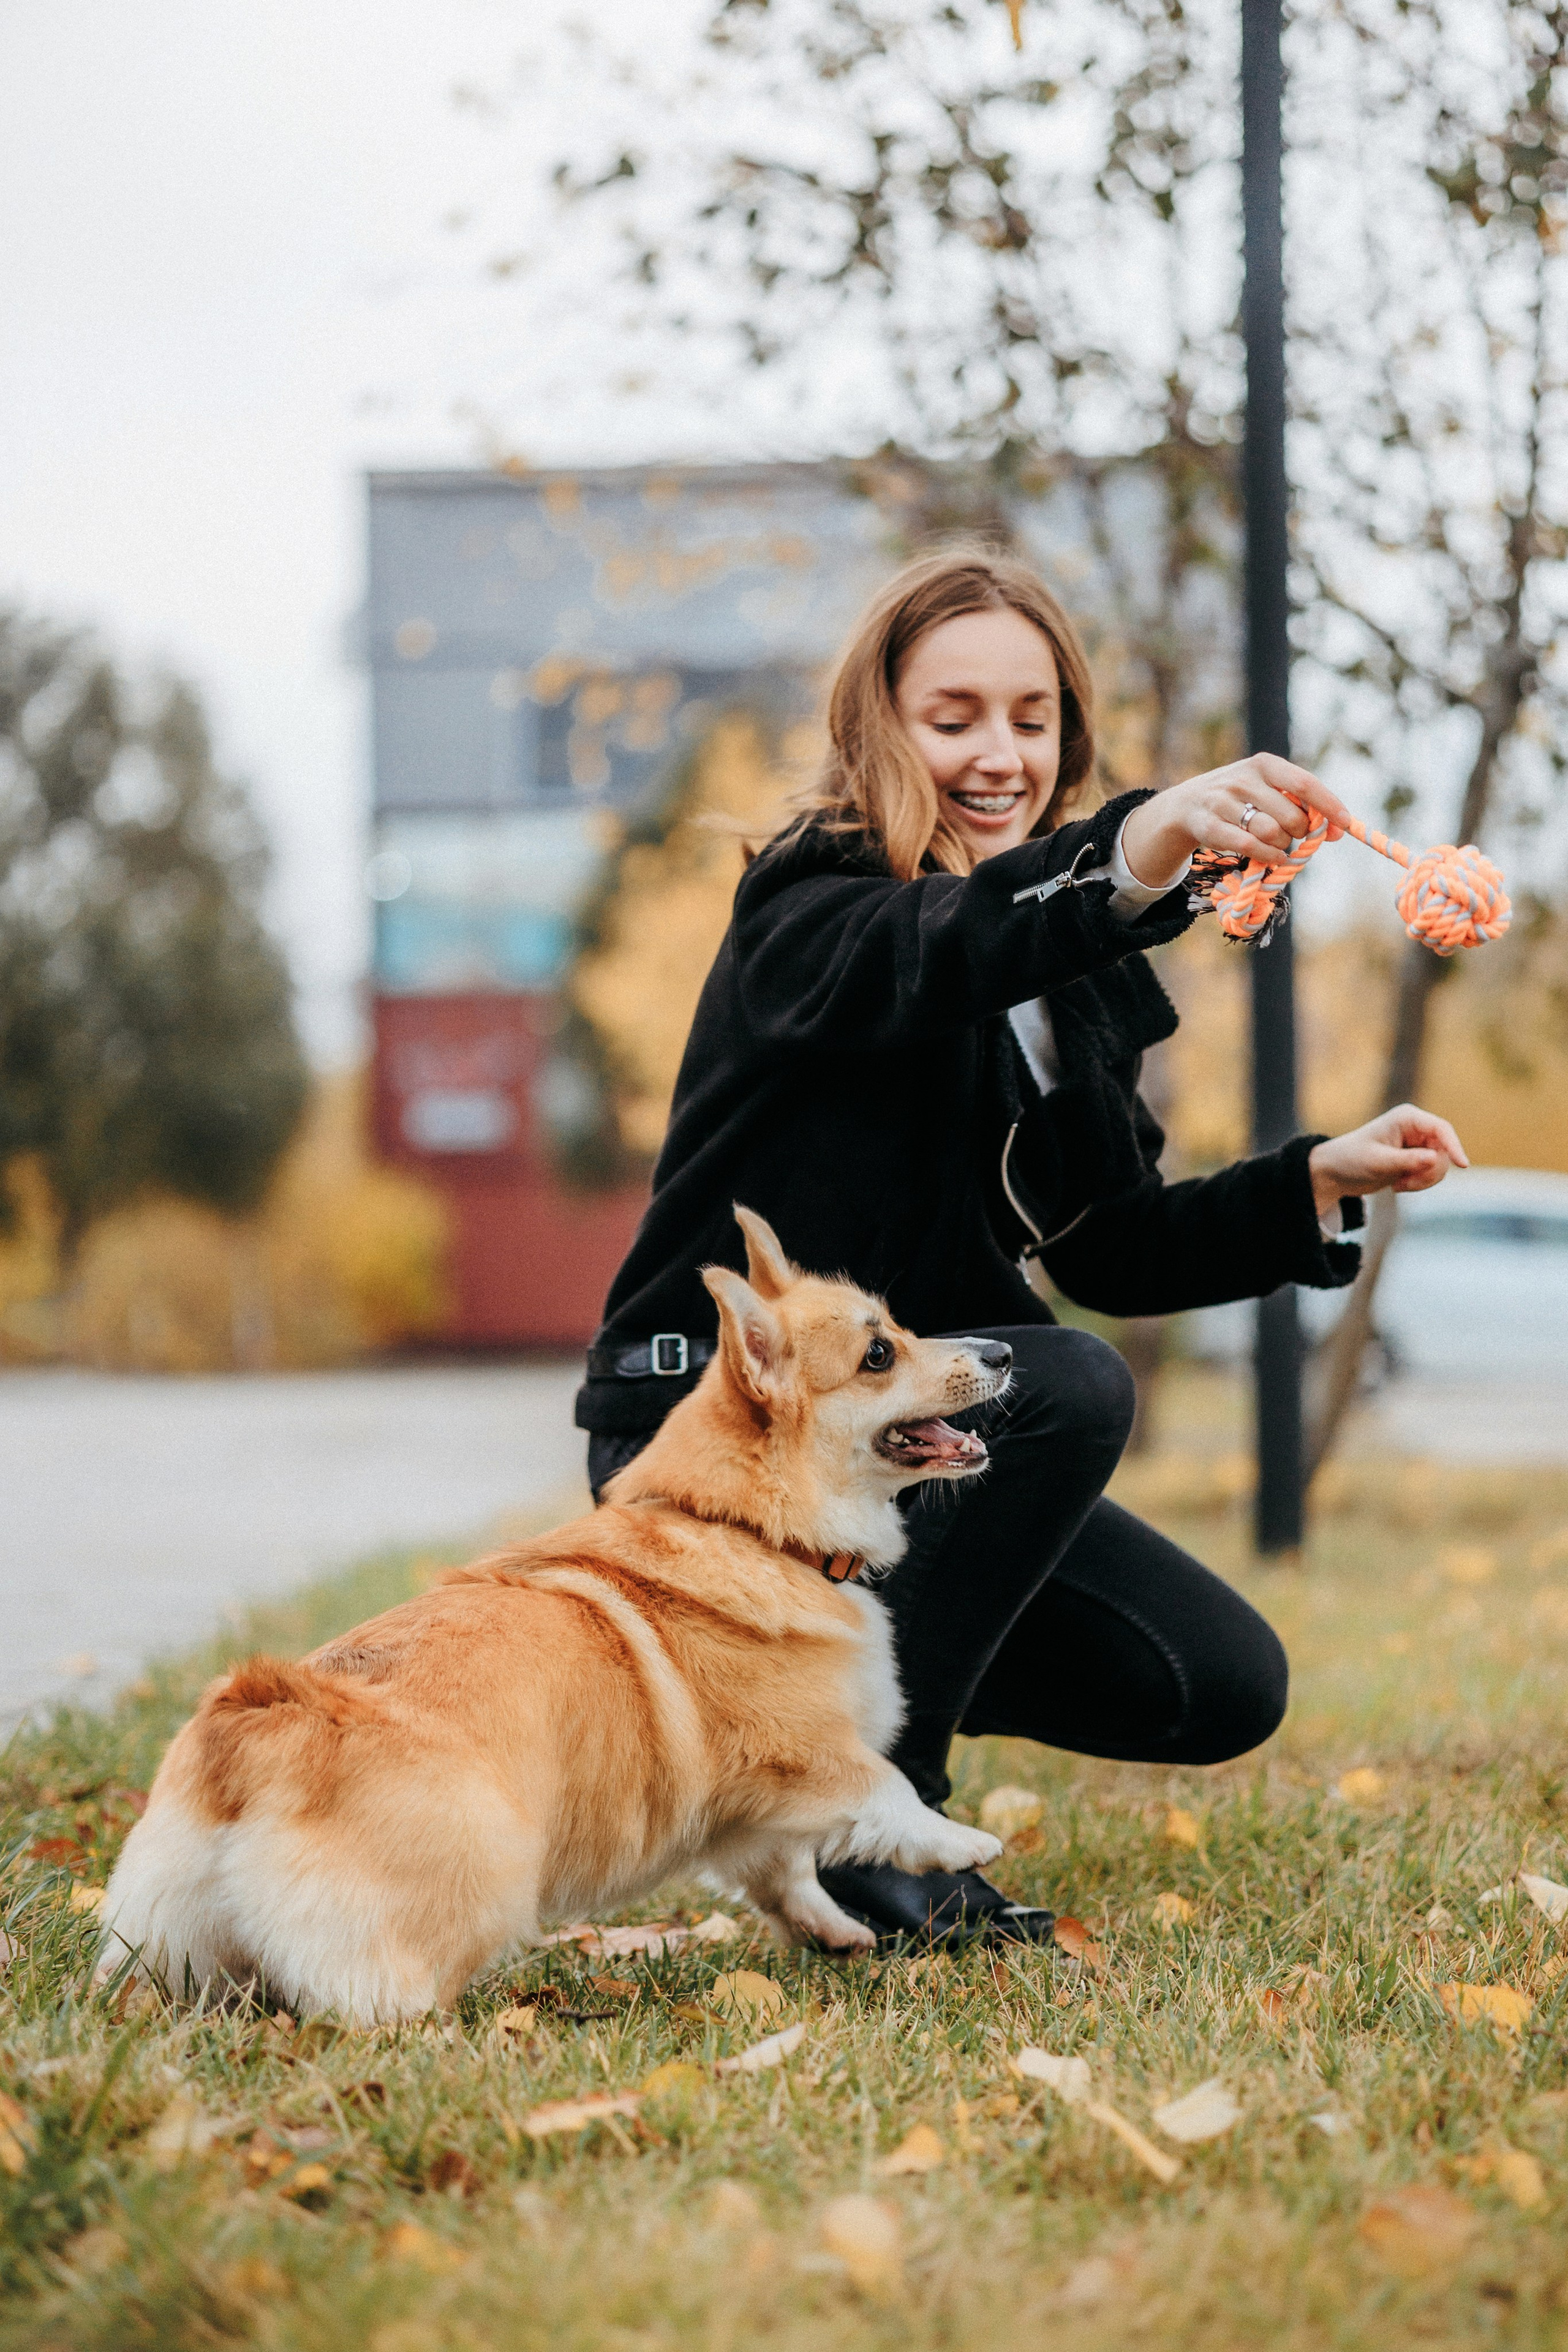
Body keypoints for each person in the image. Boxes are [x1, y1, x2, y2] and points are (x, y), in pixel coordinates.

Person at [574, 548, 1466, 1947]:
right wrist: (1130, 846)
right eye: (954, 718)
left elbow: (1109, 1249)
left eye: (1031, 718)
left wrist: (1308, 1185)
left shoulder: (1082, 972)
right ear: (880, 726)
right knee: (1061, 1383)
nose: (1000, 755)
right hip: (719, 1445)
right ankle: (869, 1828)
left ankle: (763, 1714)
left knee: (1212, 1680)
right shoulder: (815, 905)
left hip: (910, 1458)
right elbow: (953, 946)